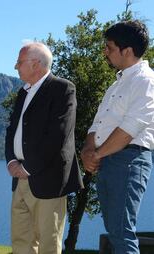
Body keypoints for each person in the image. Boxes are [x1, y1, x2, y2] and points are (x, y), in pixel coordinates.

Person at [81, 20, 154, 253]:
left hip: (129, 160)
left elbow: (130, 129)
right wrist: (87, 151)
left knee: (122, 232)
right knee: (115, 230)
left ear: (127, 51)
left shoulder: (146, 81)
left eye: (109, 47)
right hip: (109, 161)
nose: (105, 52)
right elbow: (98, 123)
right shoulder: (117, 84)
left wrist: (96, 154)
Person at [5, 42, 83, 253]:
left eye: (20, 62)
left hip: (48, 180)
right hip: (20, 179)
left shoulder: (63, 89)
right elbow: (12, 130)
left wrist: (28, 167)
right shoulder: (23, 93)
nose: (15, 66)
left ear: (36, 64)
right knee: (21, 241)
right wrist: (12, 161)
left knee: (49, 243)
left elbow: (58, 136)